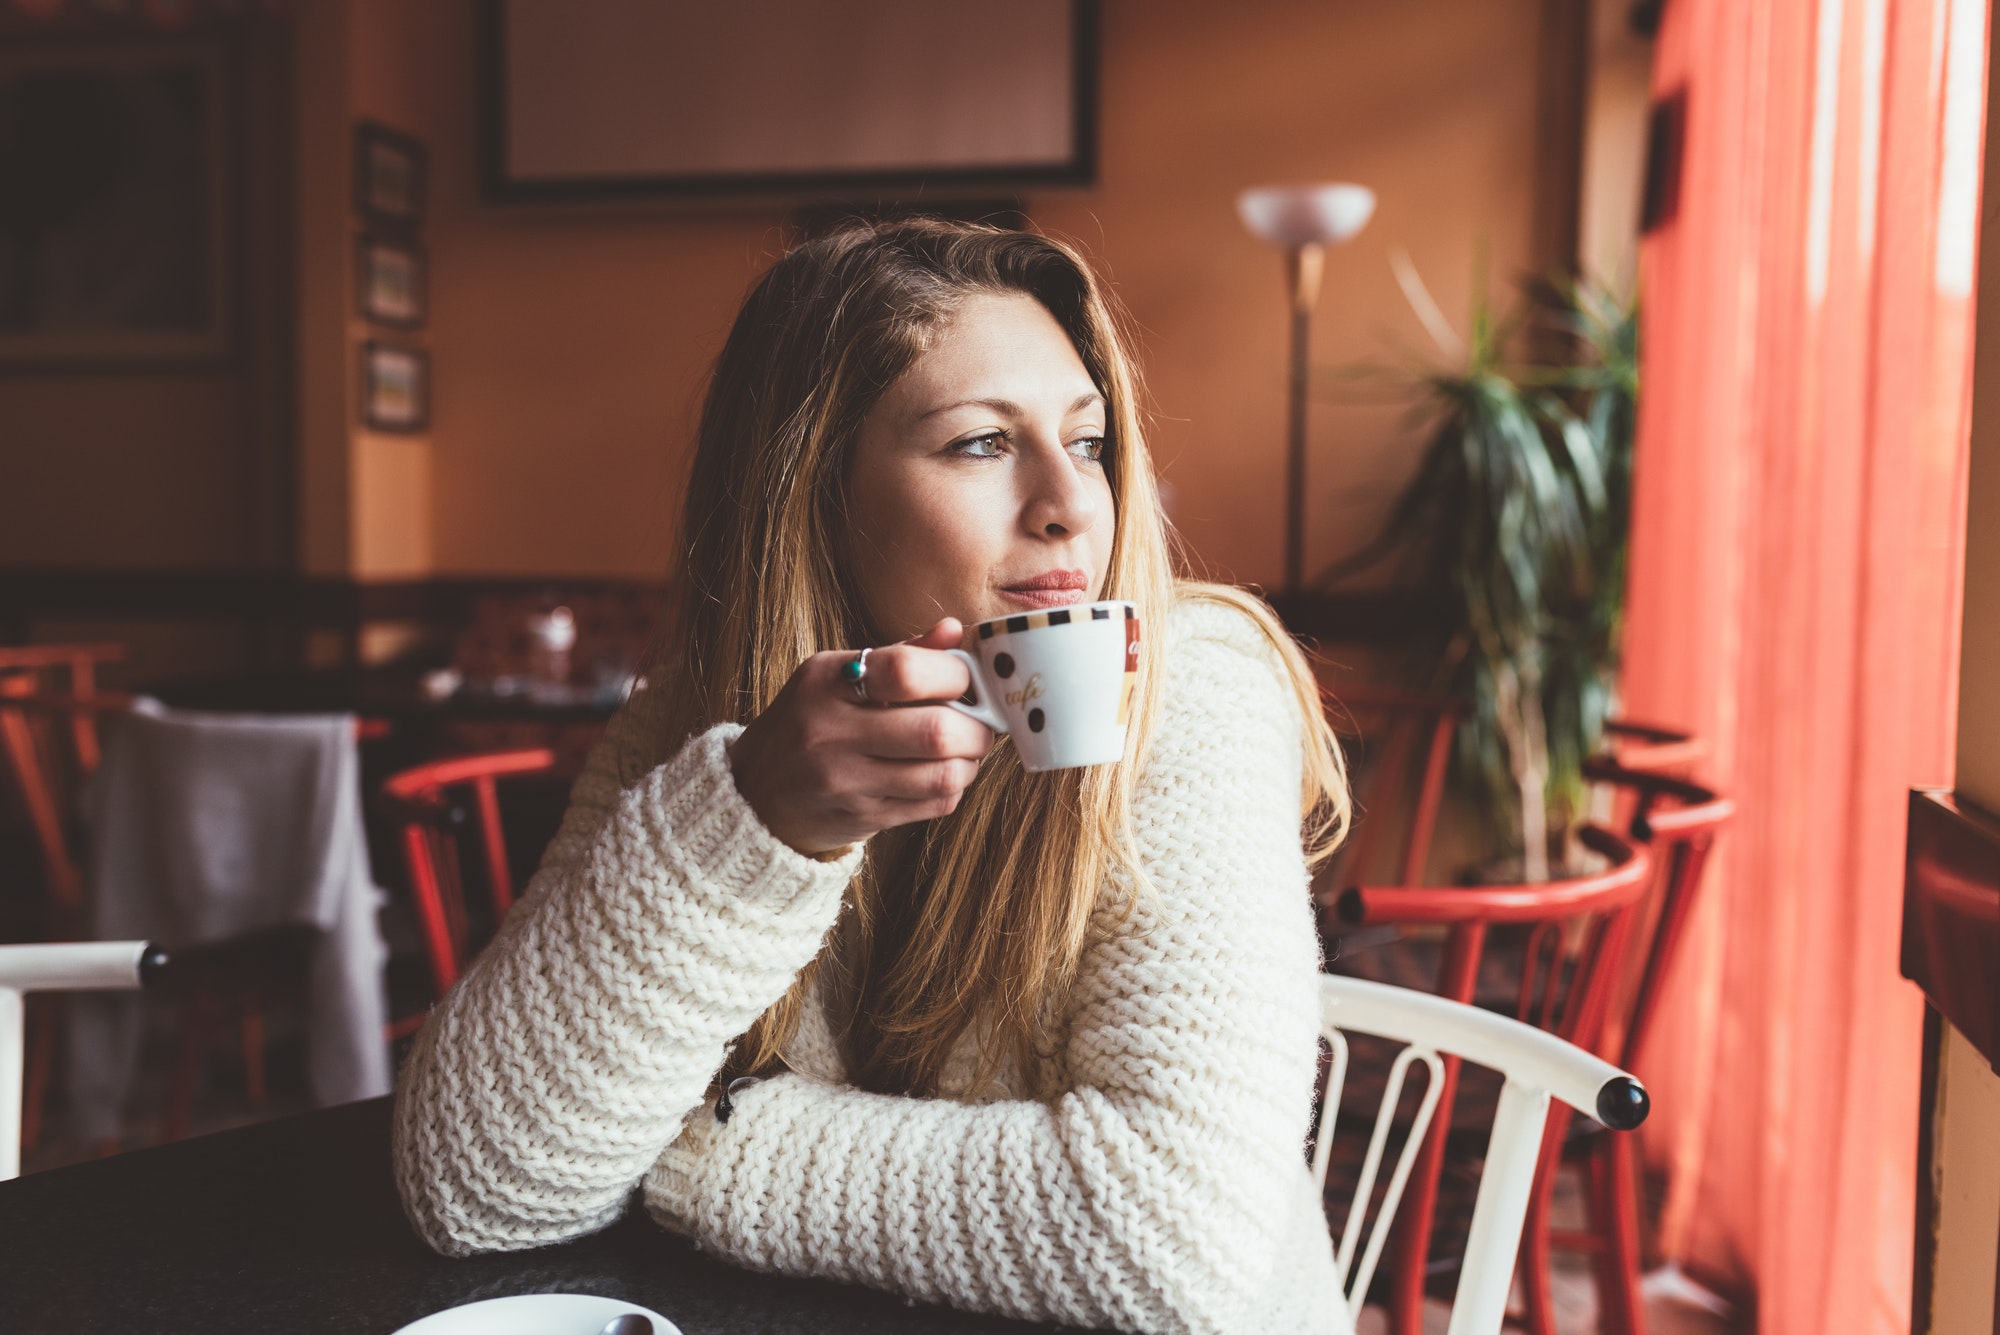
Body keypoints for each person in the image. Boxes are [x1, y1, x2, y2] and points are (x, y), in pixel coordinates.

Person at [391, 219, 1353, 1335]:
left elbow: (1169, 1234)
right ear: (812, 488)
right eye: (980, 444)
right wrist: (753, 824)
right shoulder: (698, 720)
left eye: (1086, 442)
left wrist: (705, 1139)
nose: (1069, 501)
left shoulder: (1192, 687)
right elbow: (475, 1187)